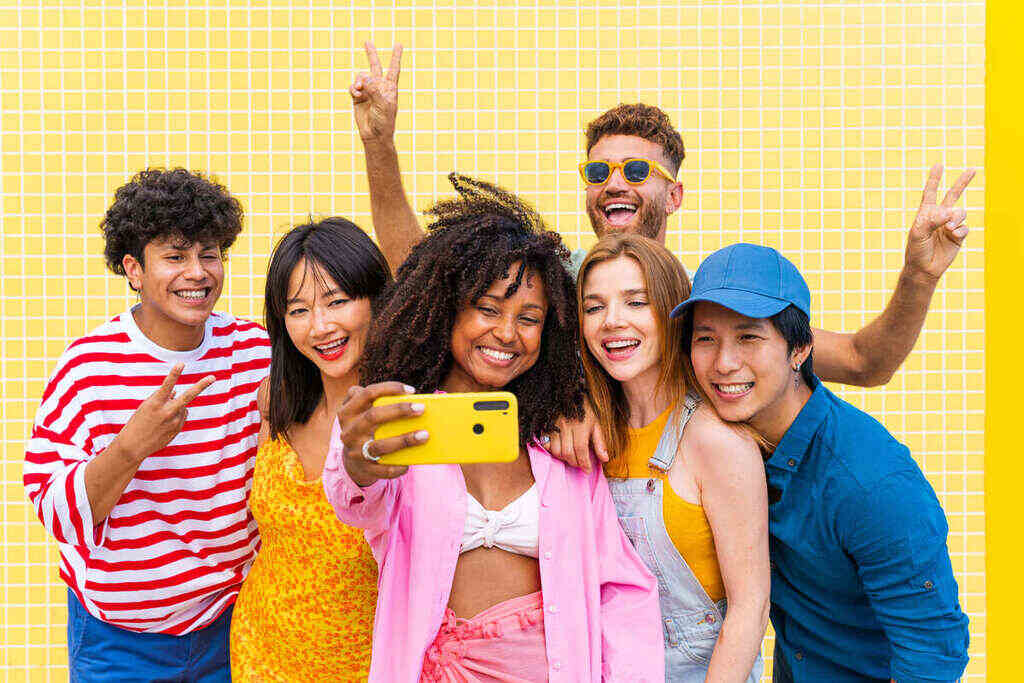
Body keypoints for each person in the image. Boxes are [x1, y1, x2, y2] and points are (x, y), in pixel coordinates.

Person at [348, 41, 976, 467]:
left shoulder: (709, 306)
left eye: (637, 169)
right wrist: (381, 145)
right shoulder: (553, 286)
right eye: (599, 169)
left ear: (673, 194)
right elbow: (420, 274)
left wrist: (920, 275)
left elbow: (867, 362)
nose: (614, 181)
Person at [323, 175, 663, 682]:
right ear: (446, 308)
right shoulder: (401, 420)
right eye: (487, 309)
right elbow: (358, 502)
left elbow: (619, 589)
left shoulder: (557, 442)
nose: (507, 333)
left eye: (529, 318)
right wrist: (360, 462)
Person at [673, 243, 970, 682]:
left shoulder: (870, 482)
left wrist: (919, 275)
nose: (724, 363)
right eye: (705, 339)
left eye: (749, 337)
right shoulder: (725, 437)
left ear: (799, 351)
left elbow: (934, 656)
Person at [23, 168, 271, 681]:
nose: (199, 272)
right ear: (134, 268)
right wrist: (132, 445)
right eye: (175, 256)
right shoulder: (88, 368)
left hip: (233, 620)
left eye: (209, 254)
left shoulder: (254, 351)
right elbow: (53, 510)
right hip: (118, 639)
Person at [578, 233, 768, 681]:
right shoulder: (588, 431)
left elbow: (750, 608)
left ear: (672, 315)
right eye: (594, 307)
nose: (612, 321)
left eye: (636, 302)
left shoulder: (715, 441)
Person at [229, 217, 391, 679]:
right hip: (261, 657)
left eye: (337, 301)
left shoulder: (406, 416)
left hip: (368, 668)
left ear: (378, 299)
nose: (320, 326)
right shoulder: (275, 403)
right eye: (298, 310)